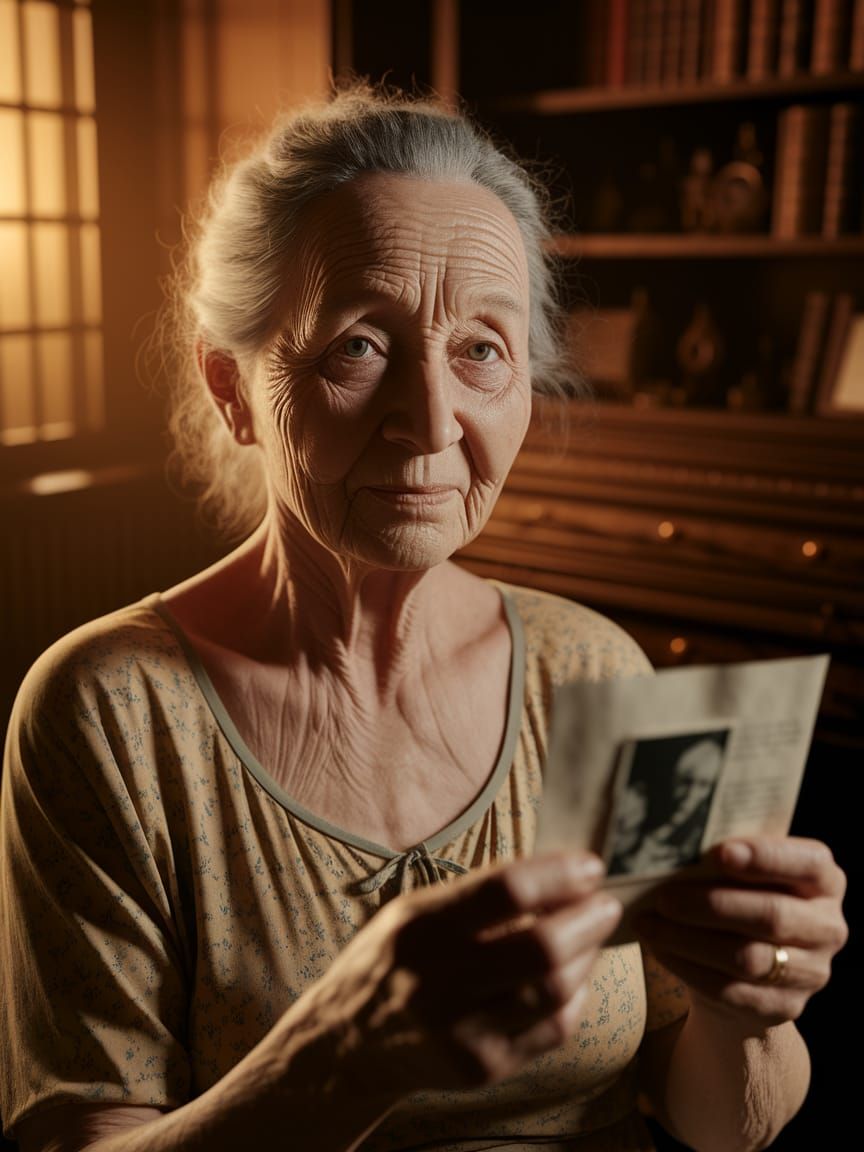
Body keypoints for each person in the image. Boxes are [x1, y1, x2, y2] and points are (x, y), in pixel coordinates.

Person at [0, 84, 848, 1152]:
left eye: (482, 350)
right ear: (231, 387)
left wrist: (749, 1011)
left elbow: (720, 1124)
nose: (431, 421)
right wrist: (342, 1059)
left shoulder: (601, 671)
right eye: (360, 345)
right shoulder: (110, 713)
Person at [607, 734, 725, 877]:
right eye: (686, 781)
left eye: (704, 785)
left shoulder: (698, 828)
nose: (690, 795)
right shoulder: (638, 804)